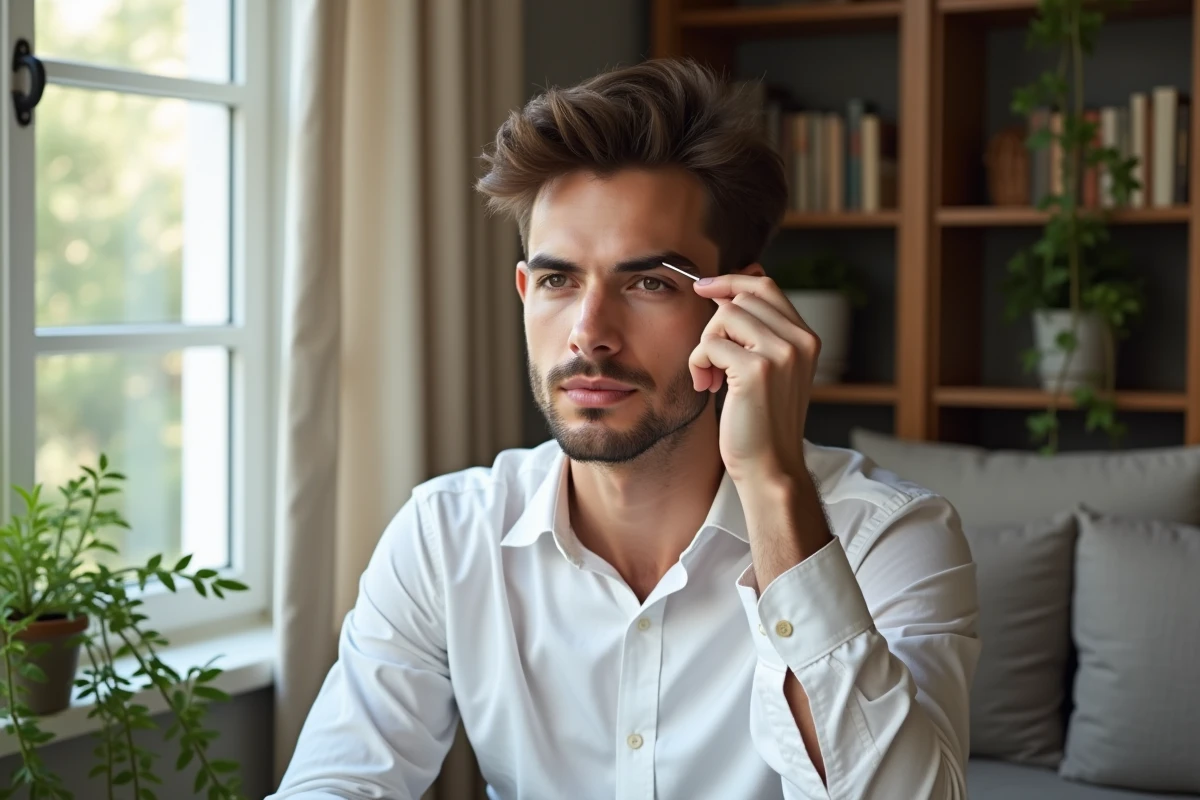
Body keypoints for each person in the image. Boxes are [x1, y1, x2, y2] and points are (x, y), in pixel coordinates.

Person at [271, 58, 979, 800]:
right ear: (524, 293)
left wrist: (773, 490)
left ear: (740, 304)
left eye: (649, 283)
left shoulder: (891, 540)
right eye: (558, 280)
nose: (589, 334)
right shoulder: (446, 537)